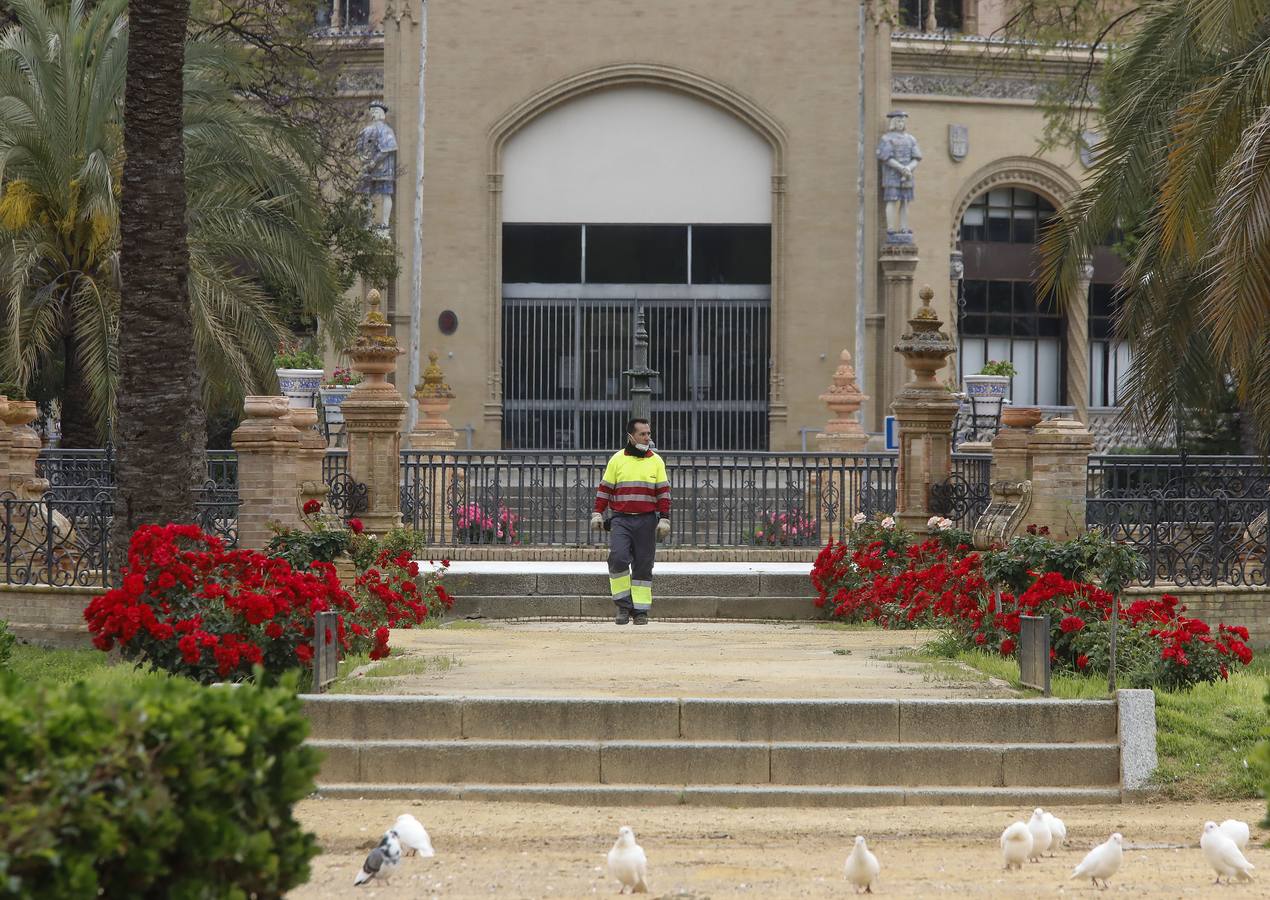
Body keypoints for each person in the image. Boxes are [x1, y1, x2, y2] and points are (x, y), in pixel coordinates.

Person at [591, 418, 671, 625]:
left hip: (646, 520)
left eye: (648, 433)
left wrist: (664, 519)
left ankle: (641, 611)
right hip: (621, 520)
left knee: (644, 565)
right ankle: (623, 607)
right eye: (642, 434)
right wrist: (597, 513)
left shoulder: (656, 461)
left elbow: (663, 493)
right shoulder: (617, 460)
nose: (647, 437)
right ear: (631, 437)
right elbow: (605, 489)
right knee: (618, 558)